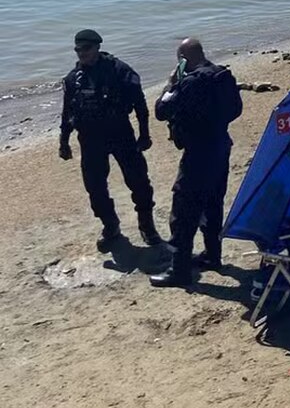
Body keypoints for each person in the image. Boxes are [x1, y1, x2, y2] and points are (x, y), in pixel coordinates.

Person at [150, 38, 242, 287]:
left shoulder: (191, 83)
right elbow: (236, 110)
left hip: (198, 153)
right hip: (221, 147)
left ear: (182, 59)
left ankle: (179, 271)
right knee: (213, 203)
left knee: (183, 211)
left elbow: (161, 110)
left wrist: (171, 83)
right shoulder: (221, 76)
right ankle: (213, 256)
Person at [59, 29, 161, 251]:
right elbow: (67, 111)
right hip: (90, 139)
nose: (81, 53)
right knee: (94, 187)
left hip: (120, 134)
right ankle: (110, 225)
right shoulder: (73, 79)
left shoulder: (119, 71)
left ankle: (146, 224)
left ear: (97, 47)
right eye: (77, 50)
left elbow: (140, 105)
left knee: (139, 181)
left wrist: (145, 134)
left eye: (85, 49)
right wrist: (63, 141)